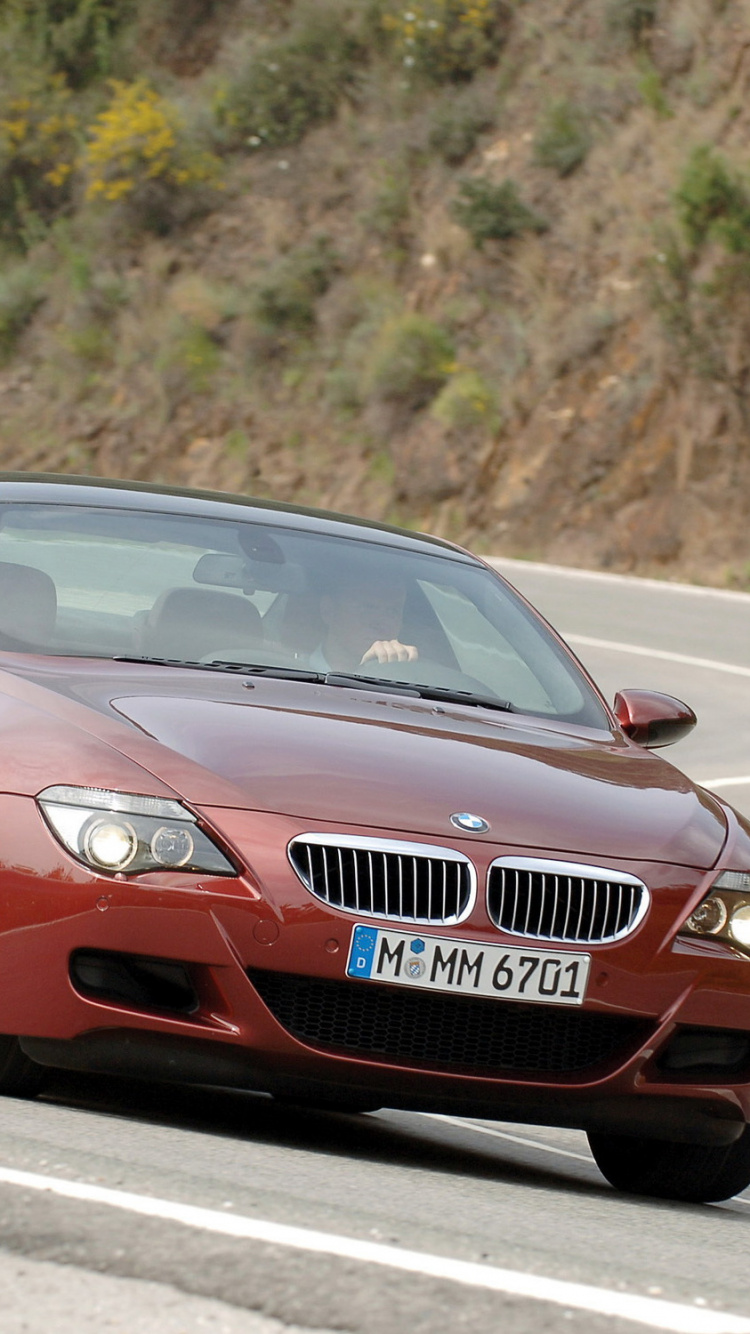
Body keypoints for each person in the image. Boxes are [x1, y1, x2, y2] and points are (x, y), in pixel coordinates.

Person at [309, 568, 418, 673]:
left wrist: (397, 673)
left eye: (392, 611)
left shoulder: (414, 681)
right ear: (328, 611)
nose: (380, 622)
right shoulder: (295, 672)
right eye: (368, 608)